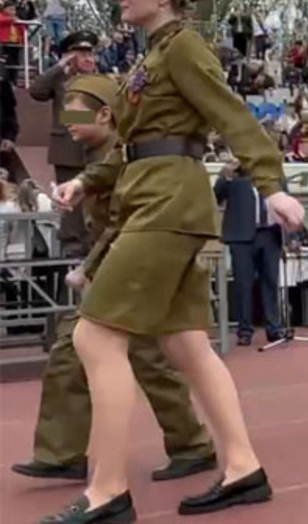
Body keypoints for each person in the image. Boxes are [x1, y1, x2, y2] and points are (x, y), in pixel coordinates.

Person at [49, 0, 305, 523]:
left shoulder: (185, 48)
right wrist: (86, 182)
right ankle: (242, 467)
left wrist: (273, 185)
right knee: (185, 341)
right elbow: (136, 142)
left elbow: (230, 116)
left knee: (96, 335)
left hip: (168, 204)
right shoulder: (152, 56)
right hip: (153, 197)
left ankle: (107, 491)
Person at [11, 75, 216, 486]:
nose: (68, 122)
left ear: (106, 115)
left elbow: (124, 222)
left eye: (76, 114)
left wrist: (88, 269)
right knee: (88, 354)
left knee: (137, 356)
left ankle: (189, 445)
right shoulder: (98, 157)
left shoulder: (125, 157)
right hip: (119, 265)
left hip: (131, 264)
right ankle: (66, 452)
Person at [30, 31, 99, 258]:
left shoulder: (101, 80)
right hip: (68, 153)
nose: (89, 58)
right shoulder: (60, 79)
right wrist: (59, 67)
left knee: (97, 208)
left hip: (97, 153)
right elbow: (37, 91)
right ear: (70, 56)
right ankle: (73, 255)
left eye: (91, 53)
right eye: (82, 53)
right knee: (72, 213)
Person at [214, 159, 284, 346]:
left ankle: (273, 327)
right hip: (242, 237)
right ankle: (245, 330)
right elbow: (216, 196)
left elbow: (286, 202)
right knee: (243, 285)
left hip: (270, 234)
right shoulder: (234, 178)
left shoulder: (274, 176)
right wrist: (226, 175)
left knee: (270, 282)